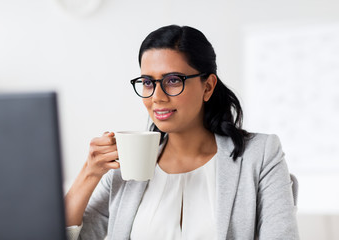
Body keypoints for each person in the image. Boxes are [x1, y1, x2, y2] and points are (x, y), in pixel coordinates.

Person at [65, 25, 299, 240]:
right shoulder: (128, 167)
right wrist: (89, 173)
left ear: (207, 86)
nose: (157, 96)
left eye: (173, 80)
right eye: (148, 82)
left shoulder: (260, 155)